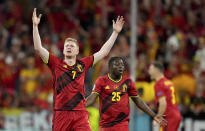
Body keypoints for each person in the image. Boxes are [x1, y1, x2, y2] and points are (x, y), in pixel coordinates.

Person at [32, 8, 124, 131]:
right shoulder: (55, 63)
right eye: (67, 46)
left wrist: (115, 33)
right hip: (61, 113)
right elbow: (38, 48)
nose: (69, 47)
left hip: (80, 113)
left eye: (72, 46)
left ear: (77, 51)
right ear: (63, 50)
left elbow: (104, 51)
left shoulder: (83, 64)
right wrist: (35, 26)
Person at [87, 57, 167, 131]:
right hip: (106, 125)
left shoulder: (128, 82)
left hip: (122, 124)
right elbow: (91, 98)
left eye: (122, 64)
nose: (121, 67)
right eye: (117, 64)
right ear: (110, 67)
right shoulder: (101, 81)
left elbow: (138, 101)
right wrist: (77, 107)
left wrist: (153, 115)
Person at [148, 62, 181, 131]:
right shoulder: (169, 82)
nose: (149, 71)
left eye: (150, 69)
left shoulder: (158, 84)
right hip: (176, 115)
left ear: (156, 70)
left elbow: (163, 103)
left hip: (168, 117)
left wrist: (158, 117)